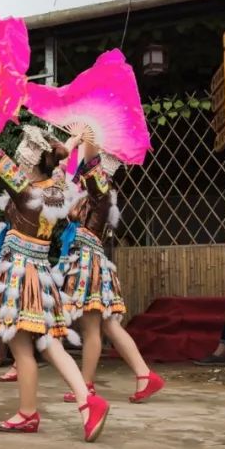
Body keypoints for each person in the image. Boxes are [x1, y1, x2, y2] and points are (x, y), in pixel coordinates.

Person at [0, 119, 109, 442]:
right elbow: (61, 163)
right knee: (49, 345)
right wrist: (72, 142)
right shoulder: (57, 189)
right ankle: (87, 403)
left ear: (30, 165)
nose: (18, 163)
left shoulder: (26, 191)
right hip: (42, 278)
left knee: (22, 351)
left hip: (19, 274)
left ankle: (29, 413)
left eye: (22, 160)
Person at [61, 145, 163, 403]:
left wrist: (89, 137)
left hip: (88, 263)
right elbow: (67, 181)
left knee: (92, 327)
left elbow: (86, 166)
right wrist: (74, 143)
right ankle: (144, 374)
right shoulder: (93, 192)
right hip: (88, 260)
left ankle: (85, 384)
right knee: (106, 325)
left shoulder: (99, 189)